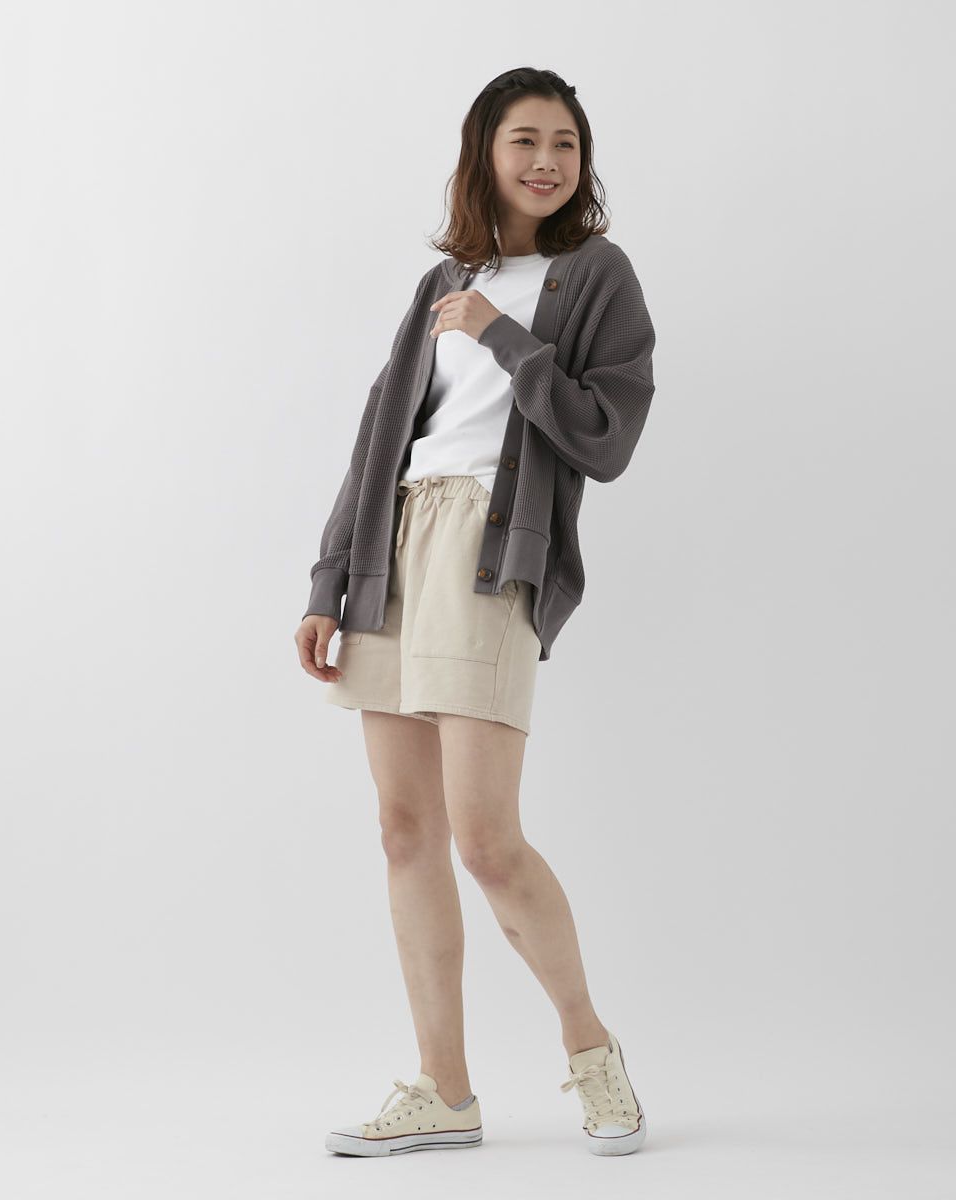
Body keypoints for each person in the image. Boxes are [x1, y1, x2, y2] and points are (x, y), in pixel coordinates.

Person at [294, 66, 655, 1158]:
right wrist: (329, 580)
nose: (547, 160)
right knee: (404, 830)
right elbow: (380, 436)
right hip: (395, 548)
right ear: (483, 154)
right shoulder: (443, 280)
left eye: (565, 143)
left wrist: (503, 335)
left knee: (488, 841)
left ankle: (592, 1050)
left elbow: (605, 437)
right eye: (523, 141)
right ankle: (443, 1089)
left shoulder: (597, 277)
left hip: (493, 554)